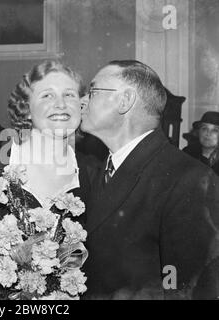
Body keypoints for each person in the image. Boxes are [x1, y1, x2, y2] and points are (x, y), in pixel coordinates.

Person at [79, 60, 219, 299]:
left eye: (92, 92)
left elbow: (186, 288)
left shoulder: (190, 179)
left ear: (125, 101)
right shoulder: (97, 169)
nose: (82, 101)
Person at [0, 60, 97, 270]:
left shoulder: (91, 169)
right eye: (47, 95)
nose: (61, 104)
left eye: (69, 94)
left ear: (81, 106)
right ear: (26, 108)